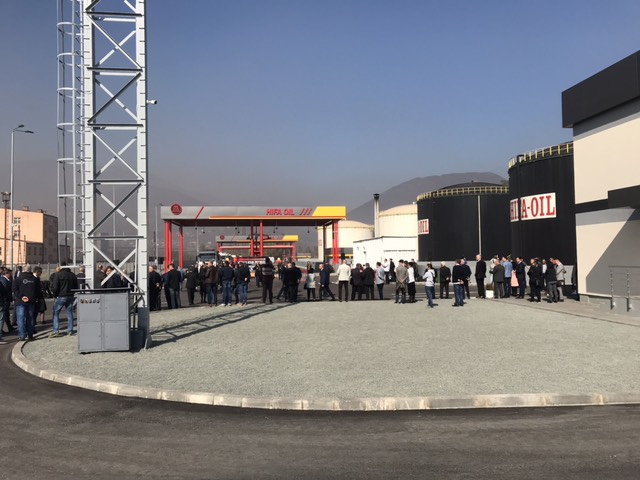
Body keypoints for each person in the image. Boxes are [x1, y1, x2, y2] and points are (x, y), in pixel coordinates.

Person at [13, 264, 41, 341]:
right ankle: (30, 334)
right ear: (30, 270)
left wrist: (22, 297)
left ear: (22, 270)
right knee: (30, 318)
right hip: (31, 301)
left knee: (20, 318)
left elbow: (15, 290)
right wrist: (34, 298)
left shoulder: (18, 279)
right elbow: (38, 291)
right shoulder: (35, 279)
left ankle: (22, 335)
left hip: (20, 301)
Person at [50, 262, 79, 337]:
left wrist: (55, 295)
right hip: (70, 296)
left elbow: (55, 287)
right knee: (69, 313)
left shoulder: (58, 275)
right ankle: (70, 330)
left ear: (61, 266)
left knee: (56, 313)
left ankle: (56, 330)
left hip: (61, 295)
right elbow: (76, 286)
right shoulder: (73, 275)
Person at [0, 268, 14, 335]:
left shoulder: (6, 280)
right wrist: (6, 300)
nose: (11, 275)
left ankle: (9, 327)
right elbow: (5, 292)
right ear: (6, 274)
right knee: (4, 315)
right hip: (4, 301)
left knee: (6, 314)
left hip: (5, 301)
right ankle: (2, 330)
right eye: (10, 273)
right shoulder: (4, 281)